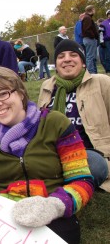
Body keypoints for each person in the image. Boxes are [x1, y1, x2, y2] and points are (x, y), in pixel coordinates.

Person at [0, 65, 94, 244]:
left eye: (3, 93)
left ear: (20, 92)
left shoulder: (56, 123)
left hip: (54, 214)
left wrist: (54, 206)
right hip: (3, 217)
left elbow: (82, 180)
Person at [38, 39, 110, 191]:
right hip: (54, 152)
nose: (67, 59)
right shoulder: (47, 86)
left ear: (83, 62)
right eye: (61, 56)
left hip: (88, 153)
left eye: (73, 55)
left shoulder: (101, 82)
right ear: (56, 64)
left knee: (96, 165)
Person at [82, 5, 99, 74]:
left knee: (92, 56)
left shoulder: (87, 18)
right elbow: (87, 29)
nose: (94, 11)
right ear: (91, 10)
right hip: (89, 39)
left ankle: (94, 71)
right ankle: (91, 72)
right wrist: (93, 36)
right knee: (90, 57)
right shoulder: (87, 18)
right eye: (94, 9)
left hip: (89, 39)